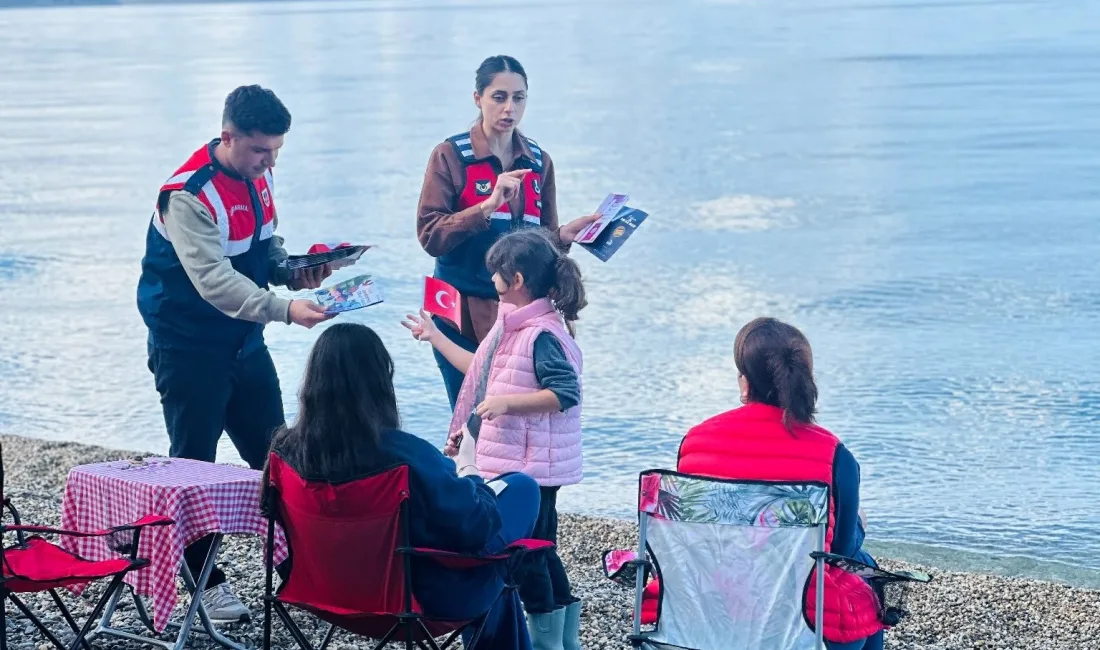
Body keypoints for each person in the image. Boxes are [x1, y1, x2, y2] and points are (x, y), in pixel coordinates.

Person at [135, 85, 334, 621]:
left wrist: (296, 270)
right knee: (193, 465)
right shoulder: (187, 195)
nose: (270, 162)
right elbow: (216, 283)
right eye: (260, 151)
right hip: (187, 345)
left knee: (276, 457)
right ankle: (204, 582)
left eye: (276, 151)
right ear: (228, 137)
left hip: (244, 342)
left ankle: (303, 568)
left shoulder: (258, 174)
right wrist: (288, 311)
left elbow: (263, 248)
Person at [261, 323, 542, 648]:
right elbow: (478, 528)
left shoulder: (285, 452)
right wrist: (468, 464)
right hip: (419, 602)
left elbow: (273, 522)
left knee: (496, 567)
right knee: (519, 490)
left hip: (320, 593)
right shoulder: (406, 456)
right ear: (381, 383)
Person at [403, 229, 586, 650]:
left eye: (496, 274)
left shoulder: (541, 333)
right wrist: (436, 336)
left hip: (533, 467)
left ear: (516, 279)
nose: (490, 281)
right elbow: (479, 373)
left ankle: (547, 641)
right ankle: (564, 640)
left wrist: (506, 404)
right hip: (519, 459)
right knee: (542, 551)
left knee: (528, 557)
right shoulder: (512, 327)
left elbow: (564, 392)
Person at [674, 317, 885, 649]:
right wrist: (859, 525)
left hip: (713, 609)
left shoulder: (695, 442)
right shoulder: (834, 454)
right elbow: (841, 551)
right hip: (801, 619)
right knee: (866, 570)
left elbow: (692, 535)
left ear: (745, 384)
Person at [415, 54, 600, 409]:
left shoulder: (538, 161)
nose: (509, 108)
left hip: (520, 315)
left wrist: (562, 237)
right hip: (460, 312)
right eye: (499, 97)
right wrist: (486, 207)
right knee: (469, 418)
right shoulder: (450, 156)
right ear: (478, 98)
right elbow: (430, 236)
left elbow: (541, 249)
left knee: (515, 421)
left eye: (519, 98)